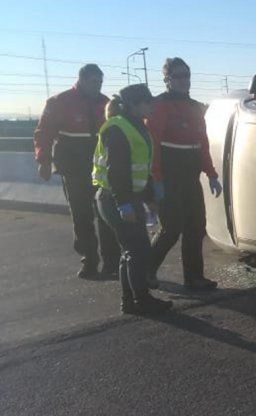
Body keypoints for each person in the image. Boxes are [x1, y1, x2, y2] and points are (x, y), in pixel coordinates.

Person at [33, 64, 121, 279]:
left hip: (99, 167)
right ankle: (89, 261)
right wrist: (44, 161)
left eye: (100, 82)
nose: (98, 86)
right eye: (94, 82)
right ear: (81, 80)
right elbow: (43, 133)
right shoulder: (59, 102)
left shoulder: (105, 103)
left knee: (105, 214)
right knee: (81, 215)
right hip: (73, 168)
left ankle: (112, 262)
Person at [93, 84, 172, 314]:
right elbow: (116, 171)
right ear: (135, 105)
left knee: (131, 251)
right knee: (138, 251)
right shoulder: (117, 129)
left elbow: (140, 169)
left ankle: (130, 301)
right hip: (115, 198)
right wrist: (124, 204)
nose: (153, 106)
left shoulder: (136, 127)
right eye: (148, 102)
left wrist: (148, 198)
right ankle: (140, 300)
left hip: (126, 197)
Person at [145, 57, 222, 291]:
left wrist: (211, 173)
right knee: (171, 227)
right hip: (169, 175)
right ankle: (145, 270)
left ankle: (194, 277)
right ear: (167, 80)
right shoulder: (159, 105)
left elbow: (203, 143)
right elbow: (153, 144)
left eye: (186, 75)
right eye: (178, 76)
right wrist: (156, 179)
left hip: (190, 175)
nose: (184, 81)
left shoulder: (194, 106)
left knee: (196, 226)